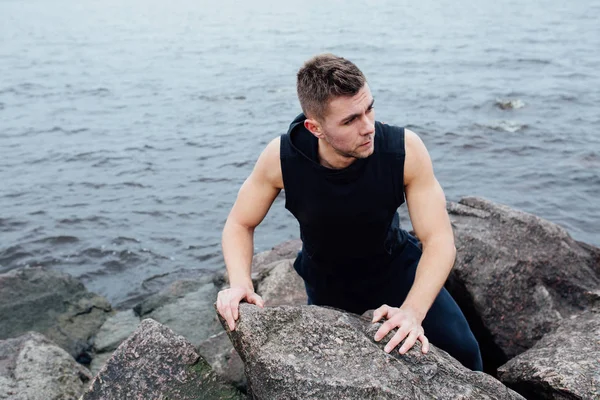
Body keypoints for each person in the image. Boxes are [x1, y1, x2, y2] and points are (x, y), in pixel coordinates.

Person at [216, 53, 483, 371]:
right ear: (314, 127)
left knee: (464, 351)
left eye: (369, 108)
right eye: (350, 120)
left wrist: (411, 311)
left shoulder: (404, 149)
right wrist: (241, 283)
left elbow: (439, 240)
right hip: (327, 283)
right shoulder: (281, 159)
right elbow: (239, 223)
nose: (367, 127)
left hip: (395, 269)